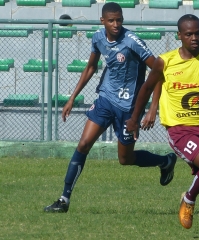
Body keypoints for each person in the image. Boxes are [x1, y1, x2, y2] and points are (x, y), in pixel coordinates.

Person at [44, 2, 177, 213]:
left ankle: (165, 161)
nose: (116, 24)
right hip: (105, 99)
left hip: (129, 108)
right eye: (112, 20)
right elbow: (90, 67)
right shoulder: (98, 38)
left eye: (120, 20)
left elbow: (158, 71)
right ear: (103, 21)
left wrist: (153, 108)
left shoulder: (132, 42)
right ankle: (64, 199)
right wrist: (72, 98)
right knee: (83, 144)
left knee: (125, 159)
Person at [126, 14, 199, 238]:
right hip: (180, 129)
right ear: (179, 36)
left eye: (197, 33)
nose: (194, 38)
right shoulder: (165, 61)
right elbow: (145, 89)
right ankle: (188, 198)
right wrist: (135, 119)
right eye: (188, 34)